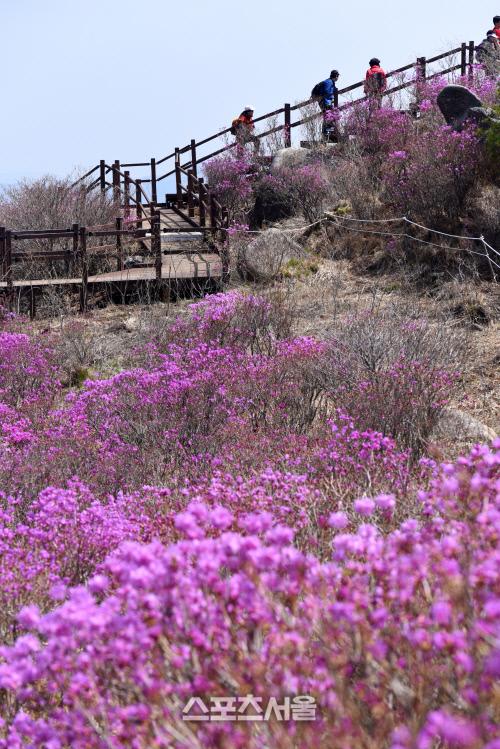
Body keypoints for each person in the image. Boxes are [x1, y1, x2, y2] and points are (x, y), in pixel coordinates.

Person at [311, 70, 340, 140]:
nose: (338, 78)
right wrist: (329, 102)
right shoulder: (329, 82)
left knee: (328, 118)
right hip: (325, 102)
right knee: (328, 118)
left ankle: (328, 134)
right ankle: (327, 135)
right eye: (338, 76)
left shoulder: (329, 81)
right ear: (336, 76)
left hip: (324, 101)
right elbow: (327, 93)